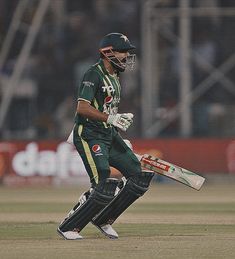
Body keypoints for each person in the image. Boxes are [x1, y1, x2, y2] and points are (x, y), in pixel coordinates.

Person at [57, 32, 154, 240]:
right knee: (103, 181)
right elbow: (82, 108)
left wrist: (117, 125)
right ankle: (69, 226)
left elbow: (108, 108)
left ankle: (103, 219)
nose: (127, 57)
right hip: (89, 135)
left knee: (139, 177)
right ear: (108, 52)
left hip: (109, 135)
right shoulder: (94, 74)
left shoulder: (116, 76)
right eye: (123, 52)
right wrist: (110, 119)